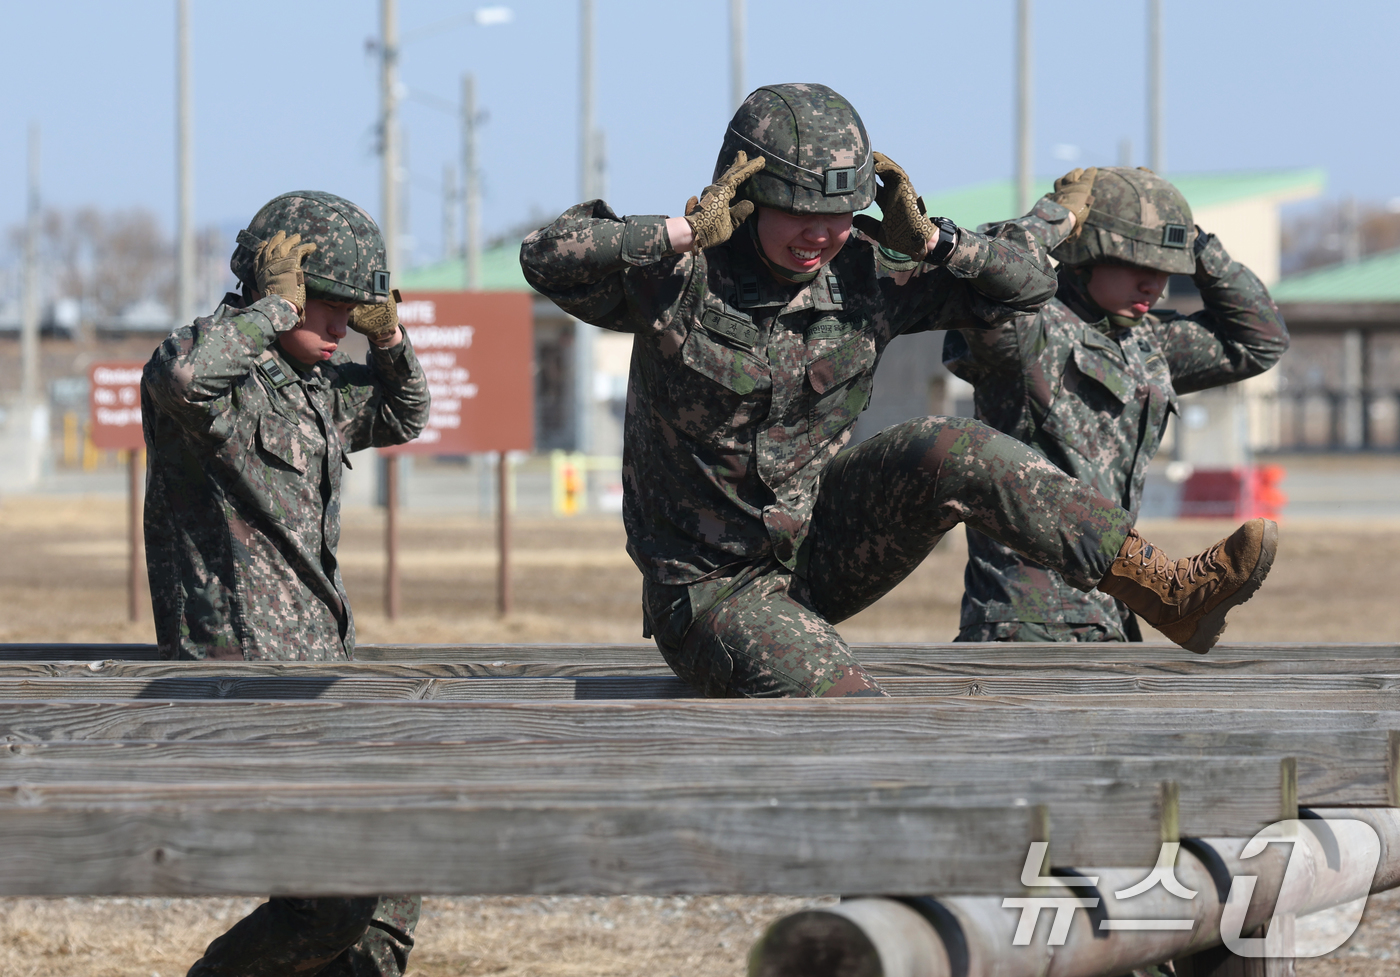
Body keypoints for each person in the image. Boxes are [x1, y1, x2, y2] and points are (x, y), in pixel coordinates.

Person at [521, 82, 1277, 699]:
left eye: (840, 215)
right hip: (715, 591)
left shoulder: (867, 276)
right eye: (799, 212)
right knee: (856, 715)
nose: (820, 235)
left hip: (818, 547)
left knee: (953, 449)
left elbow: (1027, 287)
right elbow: (548, 257)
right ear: (744, 194)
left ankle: (1166, 589)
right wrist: (682, 231)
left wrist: (936, 242)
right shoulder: (677, 280)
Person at [141, 190, 428, 977]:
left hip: (317, 676)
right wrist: (273, 311)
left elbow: (405, 414)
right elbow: (185, 374)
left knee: (400, 865)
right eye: (327, 307)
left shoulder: (317, 390)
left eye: (351, 312)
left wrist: (391, 335)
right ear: (283, 291)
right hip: (238, 685)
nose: (340, 327)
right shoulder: (215, 386)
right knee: (329, 899)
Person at [944, 166, 1290, 643]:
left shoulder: (1147, 343)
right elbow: (980, 271)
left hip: (1115, 615)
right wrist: (1056, 219)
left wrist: (1199, 246)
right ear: (1087, 256)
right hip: (1027, 621)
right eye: (1139, 265)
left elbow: (1261, 341)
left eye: (1166, 270)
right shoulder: (1027, 331)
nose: (1156, 285)